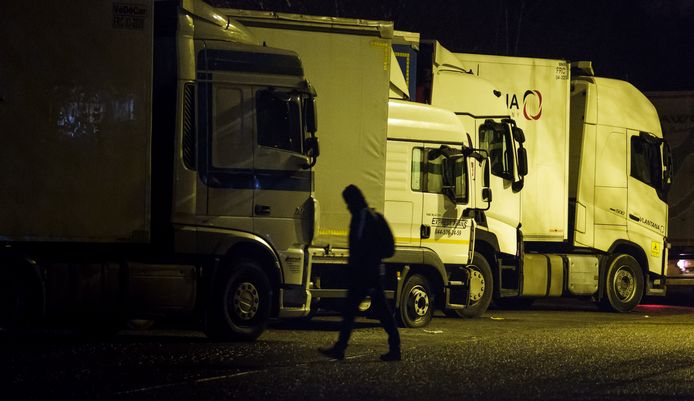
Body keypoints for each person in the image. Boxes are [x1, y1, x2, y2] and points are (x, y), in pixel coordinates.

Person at [319, 184, 401, 362]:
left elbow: (361, 248)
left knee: (360, 311)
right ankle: (394, 348)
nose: (347, 206)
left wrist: (364, 261)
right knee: (378, 311)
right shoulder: (367, 217)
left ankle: (342, 348)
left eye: (348, 202)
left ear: (354, 201)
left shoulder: (365, 218)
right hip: (369, 272)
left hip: (367, 272)